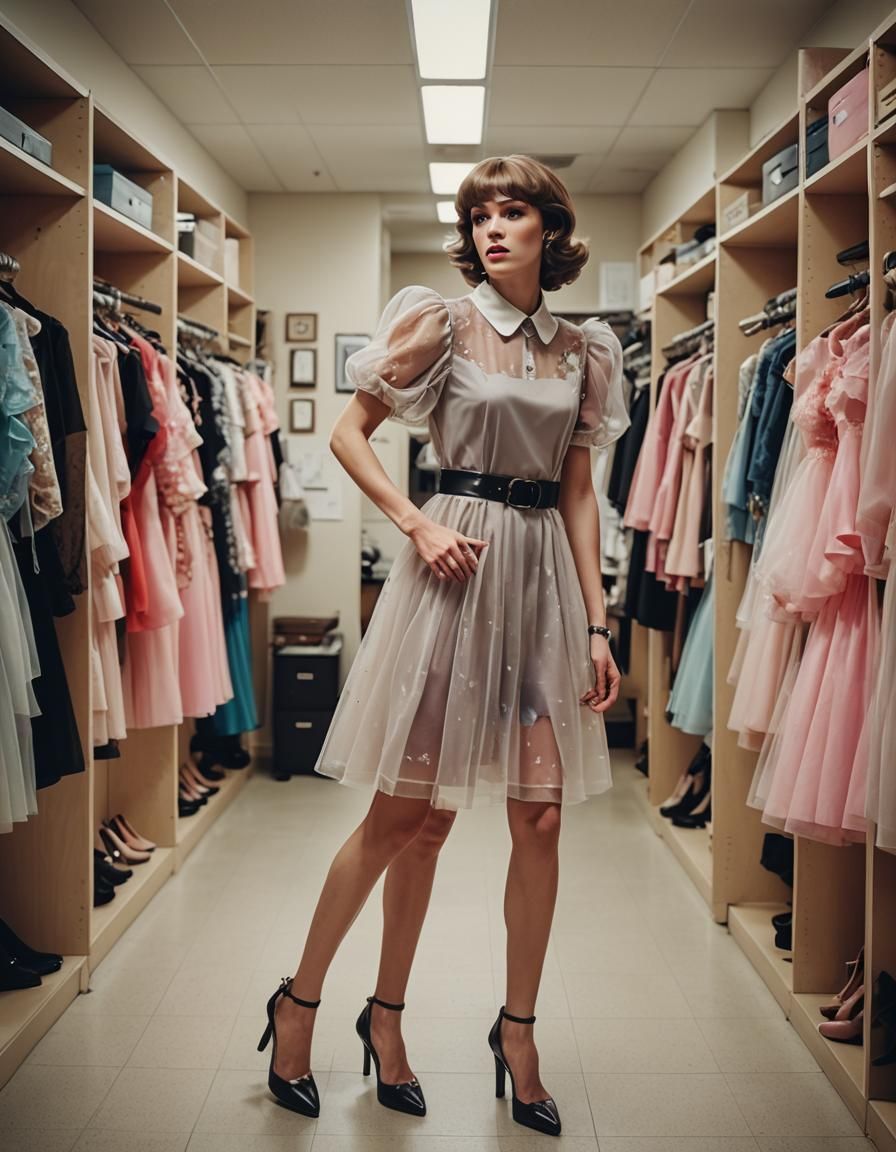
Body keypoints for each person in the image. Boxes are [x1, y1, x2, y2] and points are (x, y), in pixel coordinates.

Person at [257, 154, 628, 1137]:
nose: (491, 229)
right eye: (479, 215)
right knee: (406, 821)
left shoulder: (583, 350)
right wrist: (413, 524)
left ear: (549, 229)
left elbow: (579, 491)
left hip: (542, 580)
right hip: (453, 574)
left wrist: (597, 620)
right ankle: (309, 1004)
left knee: (539, 820)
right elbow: (348, 433)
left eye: (513, 212)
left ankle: (516, 1034)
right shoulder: (441, 322)